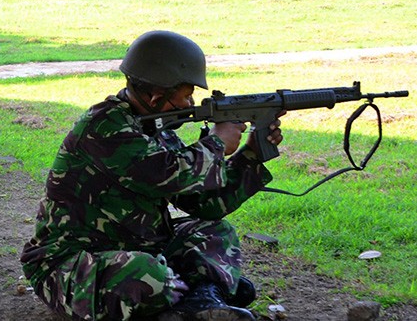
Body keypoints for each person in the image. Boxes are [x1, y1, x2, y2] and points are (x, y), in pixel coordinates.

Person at [20, 30, 285, 321]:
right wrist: (217, 143)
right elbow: (163, 174)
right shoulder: (105, 125)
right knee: (145, 273)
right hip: (70, 264)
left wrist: (251, 157)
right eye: (184, 96)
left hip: (135, 250)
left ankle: (199, 300)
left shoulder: (157, 130)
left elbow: (205, 205)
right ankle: (197, 294)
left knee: (215, 232)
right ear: (156, 95)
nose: (188, 104)